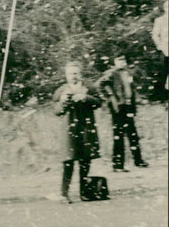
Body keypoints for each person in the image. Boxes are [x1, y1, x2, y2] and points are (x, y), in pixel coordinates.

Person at [53, 61, 103, 204]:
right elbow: (56, 111)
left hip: (86, 127)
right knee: (68, 161)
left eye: (75, 73)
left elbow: (99, 103)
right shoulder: (61, 90)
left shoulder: (89, 87)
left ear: (80, 74)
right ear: (66, 75)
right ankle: (64, 194)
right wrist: (63, 102)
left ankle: (84, 193)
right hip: (69, 129)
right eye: (70, 73)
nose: (73, 76)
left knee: (85, 161)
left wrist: (85, 98)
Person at [94, 55, 148, 172]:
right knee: (118, 136)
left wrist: (137, 99)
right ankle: (118, 165)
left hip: (129, 107)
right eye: (119, 60)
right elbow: (98, 85)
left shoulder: (128, 72)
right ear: (114, 62)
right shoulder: (111, 73)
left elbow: (131, 88)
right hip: (118, 109)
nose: (122, 62)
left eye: (123, 60)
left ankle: (138, 161)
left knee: (133, 135)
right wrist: (110, 98)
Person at [151, 0, 168, 102]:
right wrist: (160, 46)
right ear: (165, 8)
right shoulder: (159, 20)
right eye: (167, 7)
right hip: (165, 49)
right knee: (163, 73)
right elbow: (155, 35)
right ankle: (164, 98)